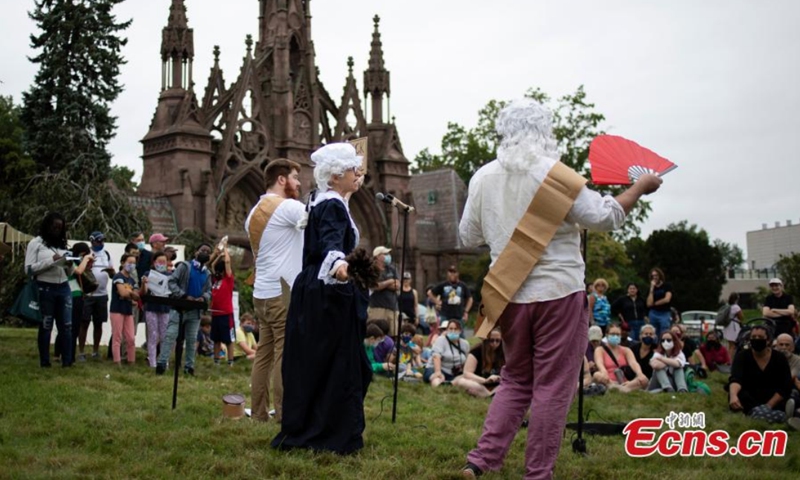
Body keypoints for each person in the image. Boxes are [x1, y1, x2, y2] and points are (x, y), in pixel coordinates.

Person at [458, 99, 661, 479]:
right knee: (552, 386)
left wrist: (503, 229)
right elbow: (604, 216)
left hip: (510, 293)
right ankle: (537, 473)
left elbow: (467, 234)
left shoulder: (483, 177)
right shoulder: (555, 173)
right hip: (559, 293)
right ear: (543, 132)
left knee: (516, 379)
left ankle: (481, 460)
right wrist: (639, 187)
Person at [272, 142, 372, 455]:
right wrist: (342, 268)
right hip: (327, 292)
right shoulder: (330, 205)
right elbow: (330, 245)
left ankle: (317, 428)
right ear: (335, 175)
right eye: (352, 170)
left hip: (317, 289)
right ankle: (328, 433)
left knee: (322, 362)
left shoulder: (326, 200)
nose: (358, 174)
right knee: (337, 363)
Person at [247, 157, 306, 423]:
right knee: (287, 354)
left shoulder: (253, 212)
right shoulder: (288, 207)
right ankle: (285, 413)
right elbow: (320, 220)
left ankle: (259, 413)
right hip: (282, 293)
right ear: (281, 179)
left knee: (263, 355)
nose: (299, 183)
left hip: (261, 291)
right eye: (295, 177)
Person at [24, 213, 75, 368]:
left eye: (60, 228)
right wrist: (51, 261)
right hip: (45, 287)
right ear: (47, 226)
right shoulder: (36, 243)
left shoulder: (63, 244)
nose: (57, 230)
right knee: (46, 325)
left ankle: (67, 361)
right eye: (54, 227)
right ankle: (45, 361)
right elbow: (28, 269)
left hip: (64, 287)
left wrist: (69, 264)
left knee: (66, 325)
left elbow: (70, 273)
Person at [155, 244, 213, 376]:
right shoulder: (185, 267)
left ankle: (189, 367)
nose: (205, 253)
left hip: (195, 311)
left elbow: (209, 291)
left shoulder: (207, 273)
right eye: (202, 250)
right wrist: (183, 295)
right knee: (170, 336)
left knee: (192, 340)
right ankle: (161, 364)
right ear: (196, 252)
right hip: (179, 308)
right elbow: (171, 281)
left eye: (208, 252)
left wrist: (203, 298)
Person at [728, 325, 792, 423]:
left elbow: (785, 386)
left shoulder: (780, 358)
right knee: (741, 396)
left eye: (760, 337)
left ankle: (761, 415)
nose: (756, 340)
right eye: (753, 337)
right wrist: (733, 396)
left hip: (774, 399)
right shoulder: (742, 356)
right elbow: (736, 379)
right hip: (750, 398)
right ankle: (778, 417)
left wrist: (768, 405)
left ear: (768, 340)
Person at [54, 242, 94, 364]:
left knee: (72, 328)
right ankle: (65, 355)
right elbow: (78, 272)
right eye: (84, 254)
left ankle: (67, 355)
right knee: (68, 327)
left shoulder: (76, 260)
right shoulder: (70, 260)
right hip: (70, 295)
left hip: (76, 295)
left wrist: (89, 262)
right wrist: (86, 259)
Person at [82, 231, 114, 360]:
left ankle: (95, 351)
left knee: (98, 323)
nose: (101, 243)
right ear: (92, 241)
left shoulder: (106, 254)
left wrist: (111, 272)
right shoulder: (86, 253)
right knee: (84, 323)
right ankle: (81, 351)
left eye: (102, 241)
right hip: (88, 294)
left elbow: (112, 274)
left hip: (102, 294)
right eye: (98, 241)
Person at [592, 324, 648, 392]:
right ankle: (623, 389)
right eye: (612, 334)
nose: (615, 336)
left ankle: (619, 389)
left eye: (618, 334)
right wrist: (604, 372)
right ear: (606, 335)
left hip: (625, 382)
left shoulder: (626, 350)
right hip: (608, 380)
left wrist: (640, 373)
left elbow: (633, 363)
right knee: (597, 375)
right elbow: (599, 363)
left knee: (644, 379)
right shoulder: (600, 349)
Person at [140, 251, 172, 369]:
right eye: (159, 261)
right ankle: (152, 362)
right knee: (153, 335)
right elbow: (143, 292)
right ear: (154, 262)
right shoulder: (148, 274)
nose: (162, 264)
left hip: (165, 309)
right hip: (151, 308)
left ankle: (164, 361)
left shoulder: (170, 275)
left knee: (165, 335)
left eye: (164, 261)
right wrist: (144, 284)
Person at [453, 328, 505, 398]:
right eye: (491, 340)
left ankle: (488, 394)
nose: (495, 343)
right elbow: (467, 373)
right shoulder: (476, 351)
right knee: (461, 381)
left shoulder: (503, 352)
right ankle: (489, 395)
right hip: (478, 382)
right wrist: (485, 380)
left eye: (498, 341)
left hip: (497, 384)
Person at [110, 253, 139, 364]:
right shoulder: (118, 277)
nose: (131, 265)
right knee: (117, 337)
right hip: (117, 310)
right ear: (122, 263)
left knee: (131, 338)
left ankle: (131, 361)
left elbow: (136, 295)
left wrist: (130, 295)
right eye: (129, 262)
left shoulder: (131, 280)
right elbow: (123, 293)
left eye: (134, 263)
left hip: (128, 310)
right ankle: (117, 361)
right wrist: (131, 294)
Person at [423, 320, 471, 387]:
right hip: (436, 369)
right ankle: (440, 385)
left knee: (466, 377)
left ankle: (450, 383)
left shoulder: (465, 344)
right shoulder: (440, 340)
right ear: (447, 330)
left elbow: (467, 360)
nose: (453, 331)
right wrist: (438, 372)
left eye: (456, 329)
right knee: (436, 378)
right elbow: (436, 357)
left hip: (454, 373)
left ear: (460, 331)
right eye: (450, 329)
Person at [209, 248, 235, 367]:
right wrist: (219, 256)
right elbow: (212, 264)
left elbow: (228, 263)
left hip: (226, 314)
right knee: (216, 339)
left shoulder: (228, 280)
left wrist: (225, 250)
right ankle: (216, 360)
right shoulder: (215, 280)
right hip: (215, 314)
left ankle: (230, 361)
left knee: (229, 339)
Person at [367, 246, 400, 335]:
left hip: (393, 308)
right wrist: (390, 281)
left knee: (394, 335)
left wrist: (382, 284)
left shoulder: (392, 268)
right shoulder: (371, 269)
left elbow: (397, 285)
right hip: (377, 308)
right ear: (377, 256)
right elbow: (374, 286)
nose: (388, 256)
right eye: (385, 254)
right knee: (376, 333)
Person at [428, 265, 472, 330]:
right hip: (445, 315)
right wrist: (437, 302)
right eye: (450, 272)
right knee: (444, 333)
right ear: (448, 273)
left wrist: (466, 311)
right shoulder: (443, 284)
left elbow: (470, 299)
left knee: (459, 335)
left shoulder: (462, 285)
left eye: (454, 272)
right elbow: (430, 293)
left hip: (458, 315)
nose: (452, 274)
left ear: (458, 273)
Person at [646, 267, 672, 338]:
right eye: (653, 276)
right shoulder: (651, 288)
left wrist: (655, 303)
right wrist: (652, 288)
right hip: (653, 312)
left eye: (656, 275)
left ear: (660, 275)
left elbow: (667, 299)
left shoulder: (667, 286)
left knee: (664, 331)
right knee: (653, 331)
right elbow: (649, 304)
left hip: (664, 312)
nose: (654, 277)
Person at [721, 292, 744, 359]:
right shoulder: (736, 307)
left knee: (730, 344)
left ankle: (728, 359)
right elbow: (741, 317)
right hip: (733, 326)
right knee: (733, 345)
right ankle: (730, 360)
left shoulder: (727, 306)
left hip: (727, 325)